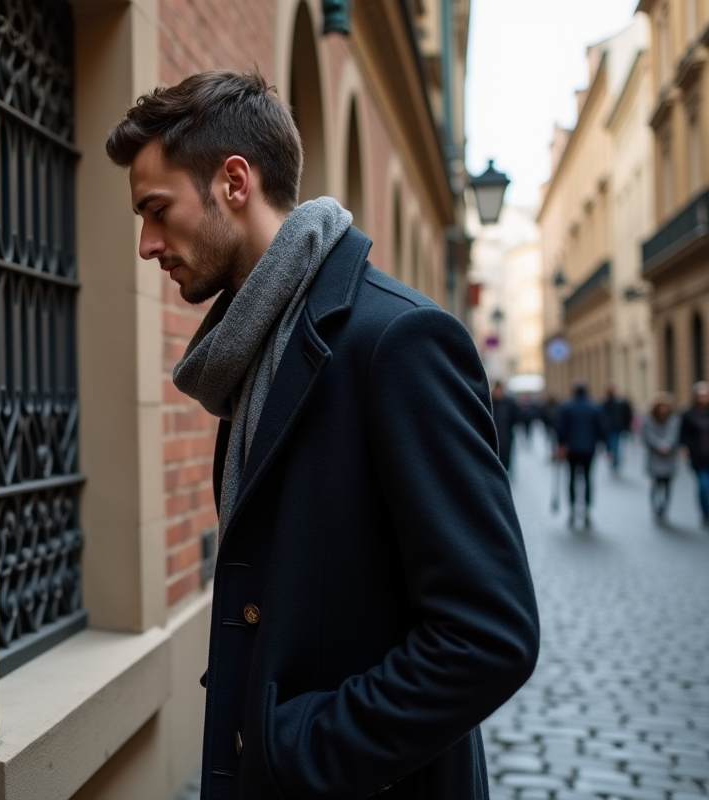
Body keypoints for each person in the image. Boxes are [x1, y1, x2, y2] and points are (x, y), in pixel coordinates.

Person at [106, 70, 539, 800]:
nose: (147, 244)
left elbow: (489, 634)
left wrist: (301, 749)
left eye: (156, 210)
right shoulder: (255, 350)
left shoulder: (398, 341)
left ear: (234, 182)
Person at [555, 380, 608, 528]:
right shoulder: (595, 407)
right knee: (587, 479)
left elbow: (560, 429)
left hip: (571, 449)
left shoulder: (566, 407)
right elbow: (602, 429)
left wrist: (561, 445)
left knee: (571, 478)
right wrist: (605, 447)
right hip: (589, 449)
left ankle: (572, 509)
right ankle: (586, 510)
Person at [643, 392, 680, 521]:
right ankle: (654, 507)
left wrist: (667, 445)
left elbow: (674, 434)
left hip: (668, 457)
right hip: (655, 456)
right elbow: (647, 435)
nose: (663, 409)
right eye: (661, 406)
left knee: (667, 484)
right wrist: (658, 445)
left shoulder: (673, 419)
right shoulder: (649, 419)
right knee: (656, 483)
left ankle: (664, 507)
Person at [680, 381, 709, 528]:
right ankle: (706, 513)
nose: (703, 397)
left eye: (706, 395)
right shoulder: (688, 414)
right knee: (704, 486)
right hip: (699, 456)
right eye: (701, 395)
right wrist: (684, 448)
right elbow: (683, 434)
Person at [491, 380, 522, 473]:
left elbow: (517, 417)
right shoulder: (490, 402)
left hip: (507, 437)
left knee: (506, 458)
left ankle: (506, 472)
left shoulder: (509, 403)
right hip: (493, 437)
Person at [602, 384, 634, 472]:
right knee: (613, 445)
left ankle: (615, 461)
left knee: (614, 445)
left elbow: (627, 414)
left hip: (616, 427)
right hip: (612, 427)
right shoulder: (607, 402)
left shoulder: (618, 402)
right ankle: (615, 461)